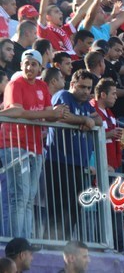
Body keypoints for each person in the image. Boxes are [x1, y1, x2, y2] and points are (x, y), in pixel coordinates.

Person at [0, 49, 67, 238]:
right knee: (19, 198)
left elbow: (49, 115)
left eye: (34, 64)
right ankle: (14, 242)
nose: (29, 67)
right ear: (21, 65)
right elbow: (18, 112)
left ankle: (25, 240)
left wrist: (60, 114)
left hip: (35, 147)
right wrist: (50, 114)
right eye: (26, 63)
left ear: (39, 68)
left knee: (29, 198)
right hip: (14, 145)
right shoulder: (15, 84)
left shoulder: (42, 86)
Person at [46, 70, 103, 238]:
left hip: (78, 164)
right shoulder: (63, 95)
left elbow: (98, 119)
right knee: (58, 208)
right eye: (82, 87)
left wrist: (90, 120)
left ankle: (66, 245)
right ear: (72, 84)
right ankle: (53, 242)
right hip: (59, 161)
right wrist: (84, 120)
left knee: (73, 209)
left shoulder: (85, 104)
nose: (86, 92)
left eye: (89, 88)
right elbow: (61, 115)